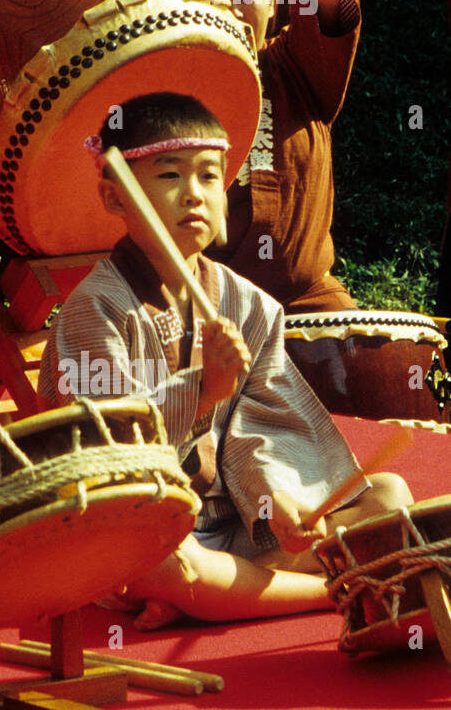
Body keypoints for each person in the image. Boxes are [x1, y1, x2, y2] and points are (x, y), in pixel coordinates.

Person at [38, 93, 409, 630]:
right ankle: (333, 589)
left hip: (228, 520)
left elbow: (267, 424)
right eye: (169, 176)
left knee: (387, 497)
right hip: (135, 531)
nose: (194, 194)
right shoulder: (95, 309)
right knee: (168, 566)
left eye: (210, 177)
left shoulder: (250, 303)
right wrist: (203, 391)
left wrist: (277, 502)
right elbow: (103, 454)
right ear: (115, 198)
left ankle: (229, 593)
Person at [194, 0, 360, 311]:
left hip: (309, 297)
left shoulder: (298, 64)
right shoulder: (176, 75)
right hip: (211, 307)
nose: (234, 6)